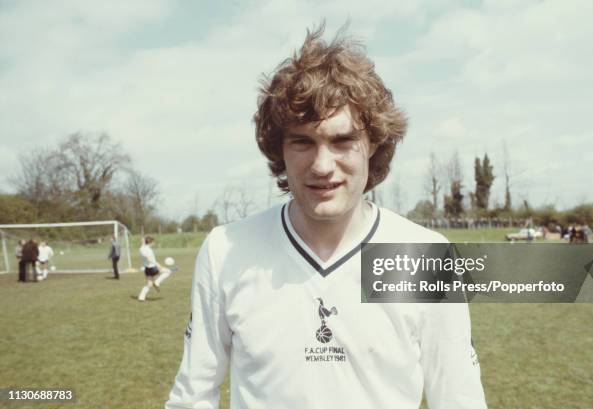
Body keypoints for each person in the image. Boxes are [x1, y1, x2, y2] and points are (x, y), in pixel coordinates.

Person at [166, 25, 487, 409]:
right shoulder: (225, 250)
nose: (322, 165)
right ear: (278, 150)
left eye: (342, 141)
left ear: (373, 147)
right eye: (302, 141)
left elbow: (459, 400)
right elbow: (192, 398)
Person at [138, 236, 173, 301]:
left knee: (149, 284)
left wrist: (144, 240)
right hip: (153, 268)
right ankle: (157, 282)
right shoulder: (149, 250)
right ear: (150, 242)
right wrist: (158, 266)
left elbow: (143, 243)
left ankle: (141, 297)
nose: (154, 244)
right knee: (168, 271)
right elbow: (150, 259)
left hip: (147, 269)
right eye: (153, 242)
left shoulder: (141, 248)